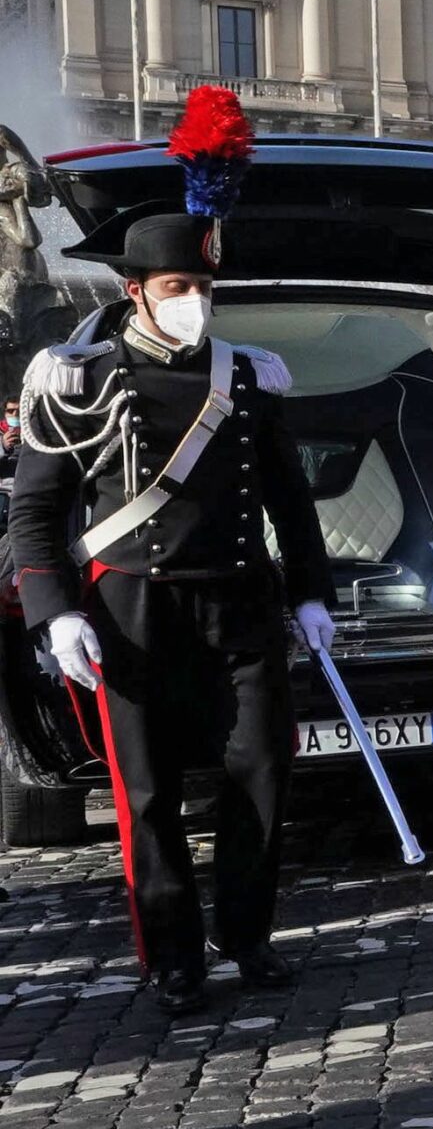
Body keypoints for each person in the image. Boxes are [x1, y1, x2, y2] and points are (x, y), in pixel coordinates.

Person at [10, 86, 329, 1014]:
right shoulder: (77, 381)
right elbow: (36, 512)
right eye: (179, 288)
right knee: (146, 792)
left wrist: (311, 593)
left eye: (205, 287)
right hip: (133, 607)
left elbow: (289, 498)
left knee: (261, 769)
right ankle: (173, 954)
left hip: (240, 599)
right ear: (136, 291)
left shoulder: (248, 376)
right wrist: (55, 612)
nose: (196, 302)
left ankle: (247, 932)